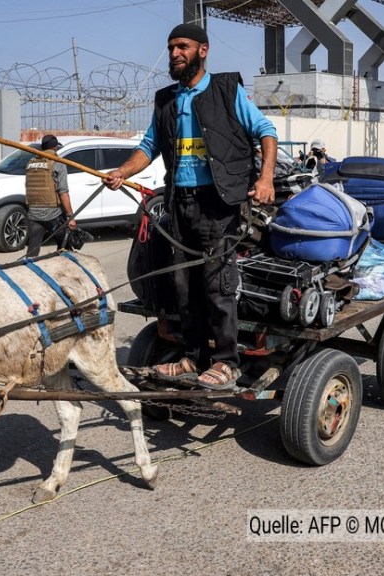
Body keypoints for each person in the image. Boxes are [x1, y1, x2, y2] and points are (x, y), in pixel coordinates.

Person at [102, 23, 278, 390]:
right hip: (179, 203)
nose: (175, 53)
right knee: (184, 286)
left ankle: (227, 362)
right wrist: (122, 171)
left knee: (217, 284)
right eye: (171, 48)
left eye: (182, 46)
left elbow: (266, 131)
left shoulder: (226, 90)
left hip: (218, 203)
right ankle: (193, 357)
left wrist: (265, 179)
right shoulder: (166, 99)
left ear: (203, 50)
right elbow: (149, 147)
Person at [24, 134, 75, 258]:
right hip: (53, 214)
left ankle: (29, 267)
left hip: (33, 212)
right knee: (66, 247)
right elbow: (63, 192)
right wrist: (70, 216)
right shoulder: (58, 164)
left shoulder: (31, 162)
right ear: (56, 147)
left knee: (32, 251)